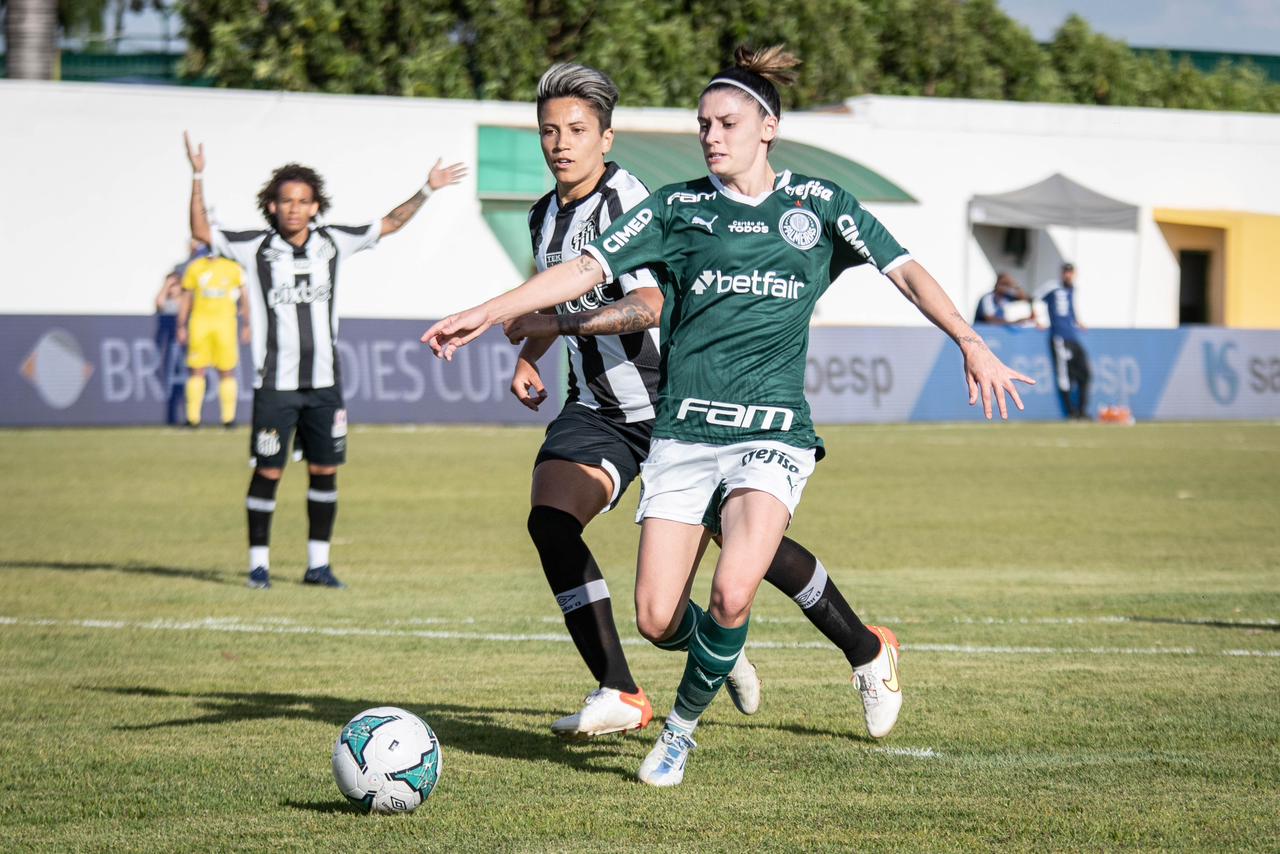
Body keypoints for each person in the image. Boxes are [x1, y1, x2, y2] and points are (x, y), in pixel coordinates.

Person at [423, 45, 1032, 787]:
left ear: (767, 127)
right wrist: (489, 316)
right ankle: (819, 648)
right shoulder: (677, 208)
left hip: (771, 434)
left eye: (727, 122)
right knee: (658, 615)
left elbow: (902, 268)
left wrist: (970, 340)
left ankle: (680, 731)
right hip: (683, 432)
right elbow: (583, 271)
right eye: (703, 123)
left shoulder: (820, 205)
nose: (711, 136)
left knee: (737, 582)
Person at [505, 63, 898, 741]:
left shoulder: (635, 202)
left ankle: (865, 648)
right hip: (597, 407)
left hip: (673, 403)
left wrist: (560, 326)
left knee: (752, 551)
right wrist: (527, 355)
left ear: (606, 137)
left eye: (576, 130)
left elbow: (648, 304)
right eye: (549, 131)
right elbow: (557, 298)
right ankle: (622, 690)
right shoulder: (545, 213)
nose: (561, 143)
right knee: (550, 520)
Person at [184, 132, 466, 589]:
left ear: (316, 207)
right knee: (269, 471)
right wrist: (198, 175)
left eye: (303, 201)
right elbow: (201, 231)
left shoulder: (334, 242)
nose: (294, 208)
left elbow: (389, 224)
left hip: (323, 385)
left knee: (325, 470)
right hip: (275, 384)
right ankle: (259, 565)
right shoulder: (253, 247)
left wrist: (428, 189)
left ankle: (319, 566)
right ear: (272, 206)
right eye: (286, 201)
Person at [177, 244, 249, 427]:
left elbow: (245, 295)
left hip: (225, 324)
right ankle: (192, 418)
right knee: (197, 369)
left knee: (226, 371)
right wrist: (181, 324)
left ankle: (228, 418)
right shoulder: (195, 267)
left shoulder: (232, 267)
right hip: (200, 323)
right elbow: (186, 297)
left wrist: (247, 323)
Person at [1044, 262, 1091, 420]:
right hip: (1059, 337)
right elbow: (1034, 298)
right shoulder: (1052, 288)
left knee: (1085, 373)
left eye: (1070, 272)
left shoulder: (1072, 289)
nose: (1068, 275)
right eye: (1065, 271)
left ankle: (1082, 411)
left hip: (1072, 336)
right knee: (1065, 377)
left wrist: (1078, 321)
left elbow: (1071, 309)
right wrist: (1036, 318)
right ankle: (1071, 412)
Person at [154, 268, 186, 426]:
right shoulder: (168, 302)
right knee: (172, 383)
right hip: (172, 346)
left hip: (187, 346)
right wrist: (166, 285)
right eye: (171, 285)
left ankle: (191, 417)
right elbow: (159, 304)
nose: (174, 288)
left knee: (188, 383)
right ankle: (172, 418)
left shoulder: (185, 300)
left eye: (176, 285)